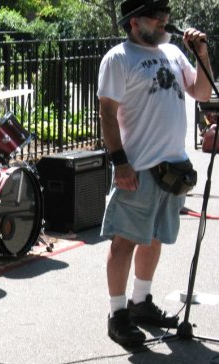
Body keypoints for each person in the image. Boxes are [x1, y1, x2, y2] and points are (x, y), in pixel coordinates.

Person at [97, 0, 212, 345]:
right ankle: (118, 314)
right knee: (125, 242)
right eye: (155, 15)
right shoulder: (119, 58)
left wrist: (202, 55)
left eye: (165, 14)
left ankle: (140, 303)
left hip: (173, 169)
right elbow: (106, 111)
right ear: (134, 23)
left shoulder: (174, 53)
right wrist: (120, 162)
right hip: (139, 167)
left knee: (155, 237)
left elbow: (203, 93)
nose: (164, 20)